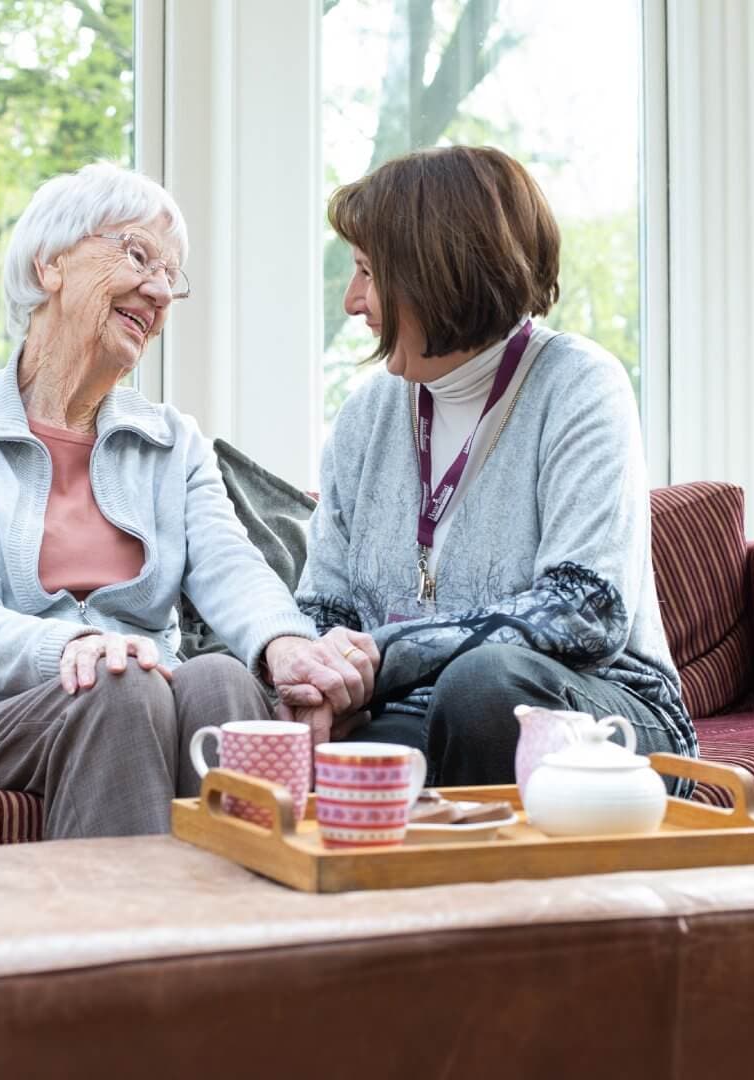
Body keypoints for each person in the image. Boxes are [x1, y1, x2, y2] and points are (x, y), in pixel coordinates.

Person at [0, 162, 375, 837]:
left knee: (222, 682)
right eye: (139, 255)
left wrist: (287, 647)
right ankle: (126, 937)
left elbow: (231, 566)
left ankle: (239, 935)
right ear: (50, 265)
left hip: (138, 697)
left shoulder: (174, 443)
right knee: (118, 682)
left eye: (172, 278)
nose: (159, 291)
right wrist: (76, 648)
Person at [295, 145, 697, 789]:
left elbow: (583, 611)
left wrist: (384, 655)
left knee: (486, 688)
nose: (352, 300)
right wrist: (321, 679)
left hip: (599, 715)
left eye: (369, 272)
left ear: (438, 272)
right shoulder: (367, 413)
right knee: (303, 729)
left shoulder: (578, 383)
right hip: (410, 711)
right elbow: (322, 607)